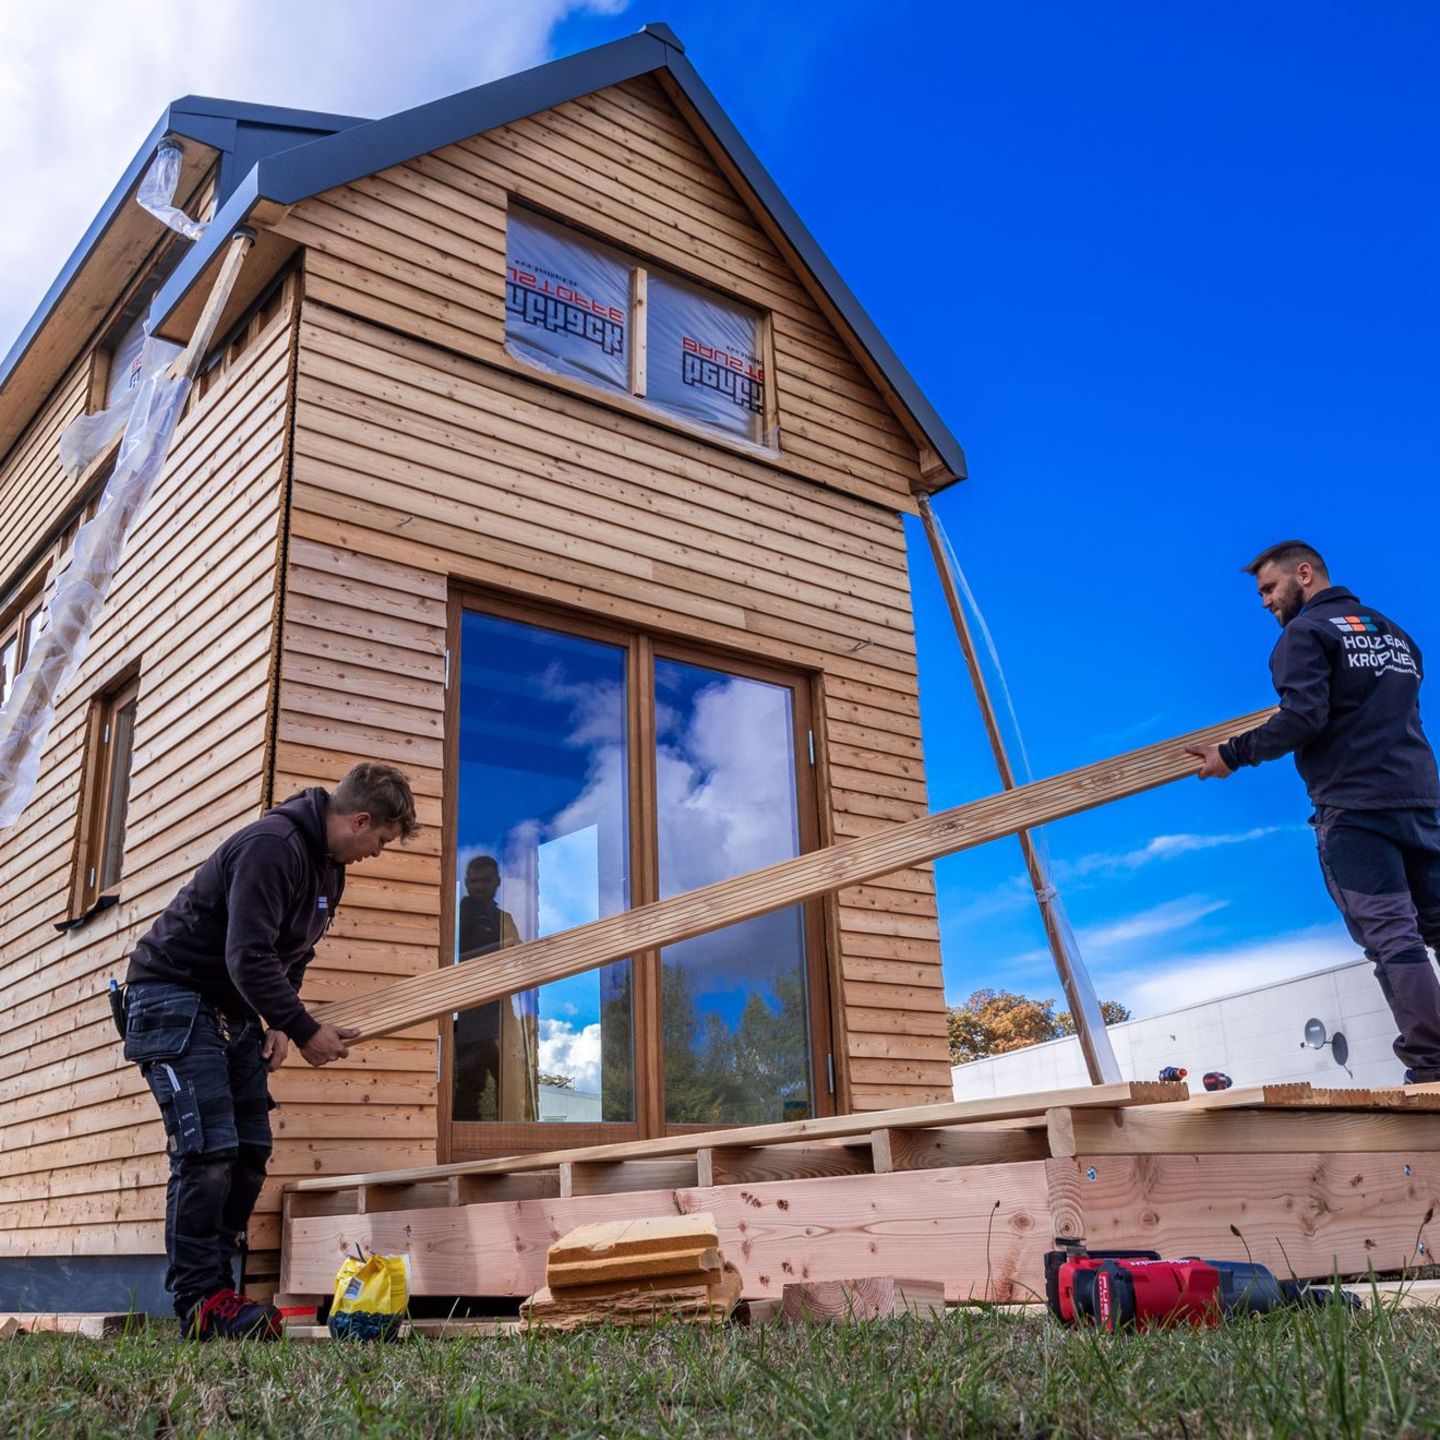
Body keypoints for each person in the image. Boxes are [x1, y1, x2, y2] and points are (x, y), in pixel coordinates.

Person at [122, 762, 418, 1338]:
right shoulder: (272, 846)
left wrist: (282, 1021)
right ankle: (200, 1303)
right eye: (380, 840)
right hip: (172, 997)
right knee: (207, 1152)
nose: (378, 852)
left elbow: (291, 956)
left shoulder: (329, 871)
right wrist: (303, 1028)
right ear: (359, 819)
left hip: (230, 1011)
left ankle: (224, 1294)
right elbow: (248, 955)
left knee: (250, 1149)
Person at [1189, 541, 1440, 1082]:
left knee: (1393, 938)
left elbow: (1303, 717)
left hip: (1356, 810)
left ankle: (1432, 1069)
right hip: (1421, 804)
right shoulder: (1396, 636)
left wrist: (1229, 755)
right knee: (1436, 928)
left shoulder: (1304, 635)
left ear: (1304, 574)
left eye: (1269, 588)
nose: (1264, 603)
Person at [451, 855, 538, 1122]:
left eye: (485, 881)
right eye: (473, 881)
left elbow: (520, 957)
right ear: (465, 882)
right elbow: (459, 958)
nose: (478, 887)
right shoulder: (459, 916)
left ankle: (513, 1138)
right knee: (470, 1085)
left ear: (497, 882)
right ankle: (468, 1145)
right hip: (470, 1018)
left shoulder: (504, 918)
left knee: (511, 1082)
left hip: (501, 1017)